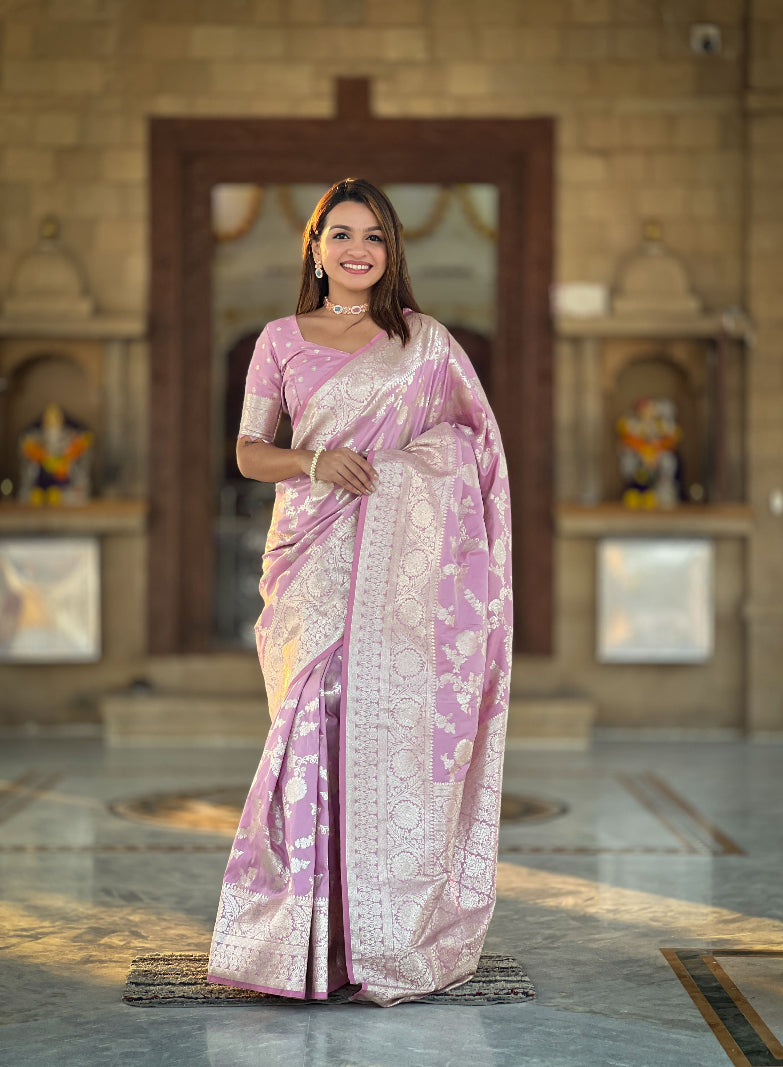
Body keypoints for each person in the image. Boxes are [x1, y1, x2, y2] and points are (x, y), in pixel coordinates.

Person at [207, 178, 512, 1007]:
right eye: (340, 233)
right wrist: (313, 461)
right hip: (309, 554)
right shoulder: (278, 339)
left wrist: (406, 472)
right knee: (311, 713)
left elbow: (469, 444)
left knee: (376, 721)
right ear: (315, 246)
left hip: (398, 572)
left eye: (373, 236)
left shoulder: (426, 343)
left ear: (391, 251)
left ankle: (372, 934)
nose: (356, 250)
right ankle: (295, 937)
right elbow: (246, 450)